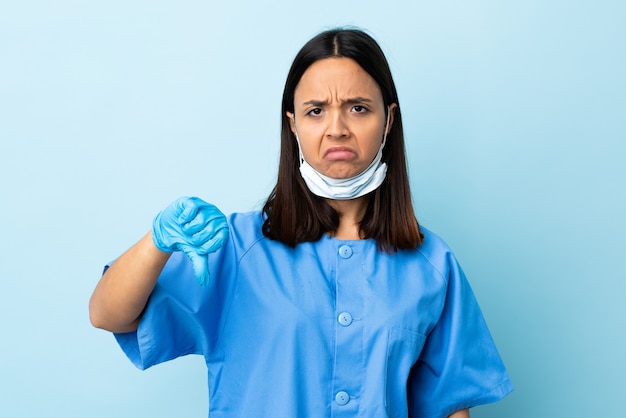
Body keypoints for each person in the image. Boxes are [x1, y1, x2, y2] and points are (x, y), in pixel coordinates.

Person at [90, 28, 513, 418]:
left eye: (358, 108)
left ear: (388, 119)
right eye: (316, 111)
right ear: (292, 124)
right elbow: (108, 315)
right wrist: (158, 242)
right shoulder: (236, 248)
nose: (337, 129)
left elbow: (449, 407)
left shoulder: (431, 264)